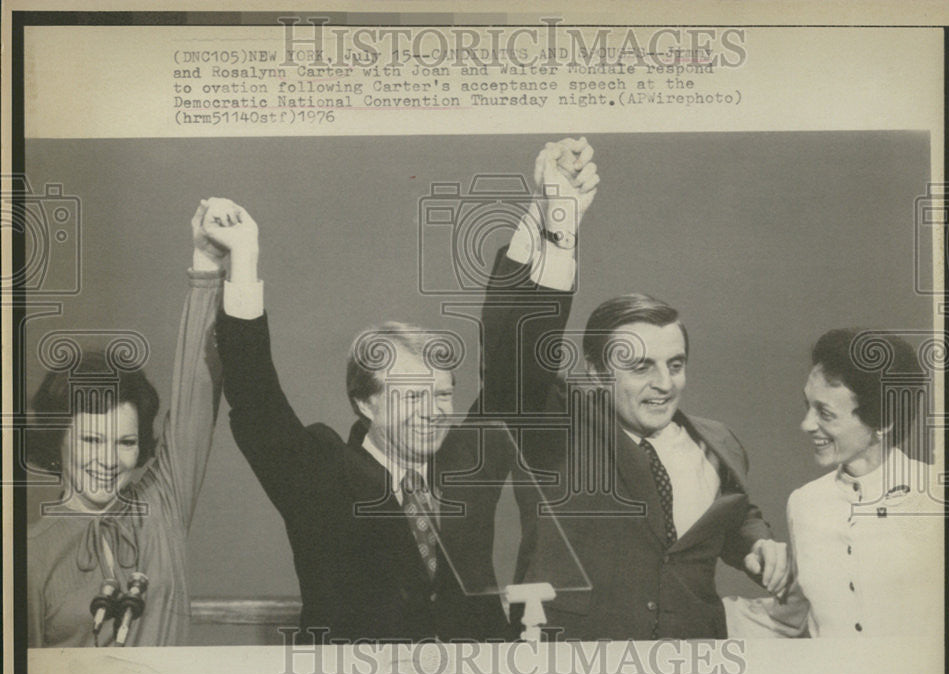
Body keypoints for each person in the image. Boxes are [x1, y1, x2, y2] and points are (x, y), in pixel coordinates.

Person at [210, 139, 600, 642]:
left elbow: (518, 366)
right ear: (364, 401)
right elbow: (255, 396)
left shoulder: (465, 459)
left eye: (441, 394)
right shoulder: (323, 471)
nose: (434, 412)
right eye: (412, 396)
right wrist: (243, 258)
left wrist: (557, 229)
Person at [482, 197, 789, 642]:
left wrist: (756, 545)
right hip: (579, 667)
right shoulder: (557, 427)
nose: (664, 383)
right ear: (595, 370)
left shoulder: (718, 439)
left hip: (695, 665)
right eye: (641, 367)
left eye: (676, 364)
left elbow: (735, 512)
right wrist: (557, 231)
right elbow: (510, 350)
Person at [26, 198, 232, 647]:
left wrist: (207, 263)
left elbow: (197, 389)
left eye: (125, 441)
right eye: (91, 438)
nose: (108, 459)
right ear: (57, 439)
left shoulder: (161, 509)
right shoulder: (27, 556)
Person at [724, 328, 944, 638]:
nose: (807, 424)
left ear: (884, 421)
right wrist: (691, 609)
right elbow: (795, 616)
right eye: (808, 407)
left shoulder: (939, 496)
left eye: (825, 414)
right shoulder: (805, 503)